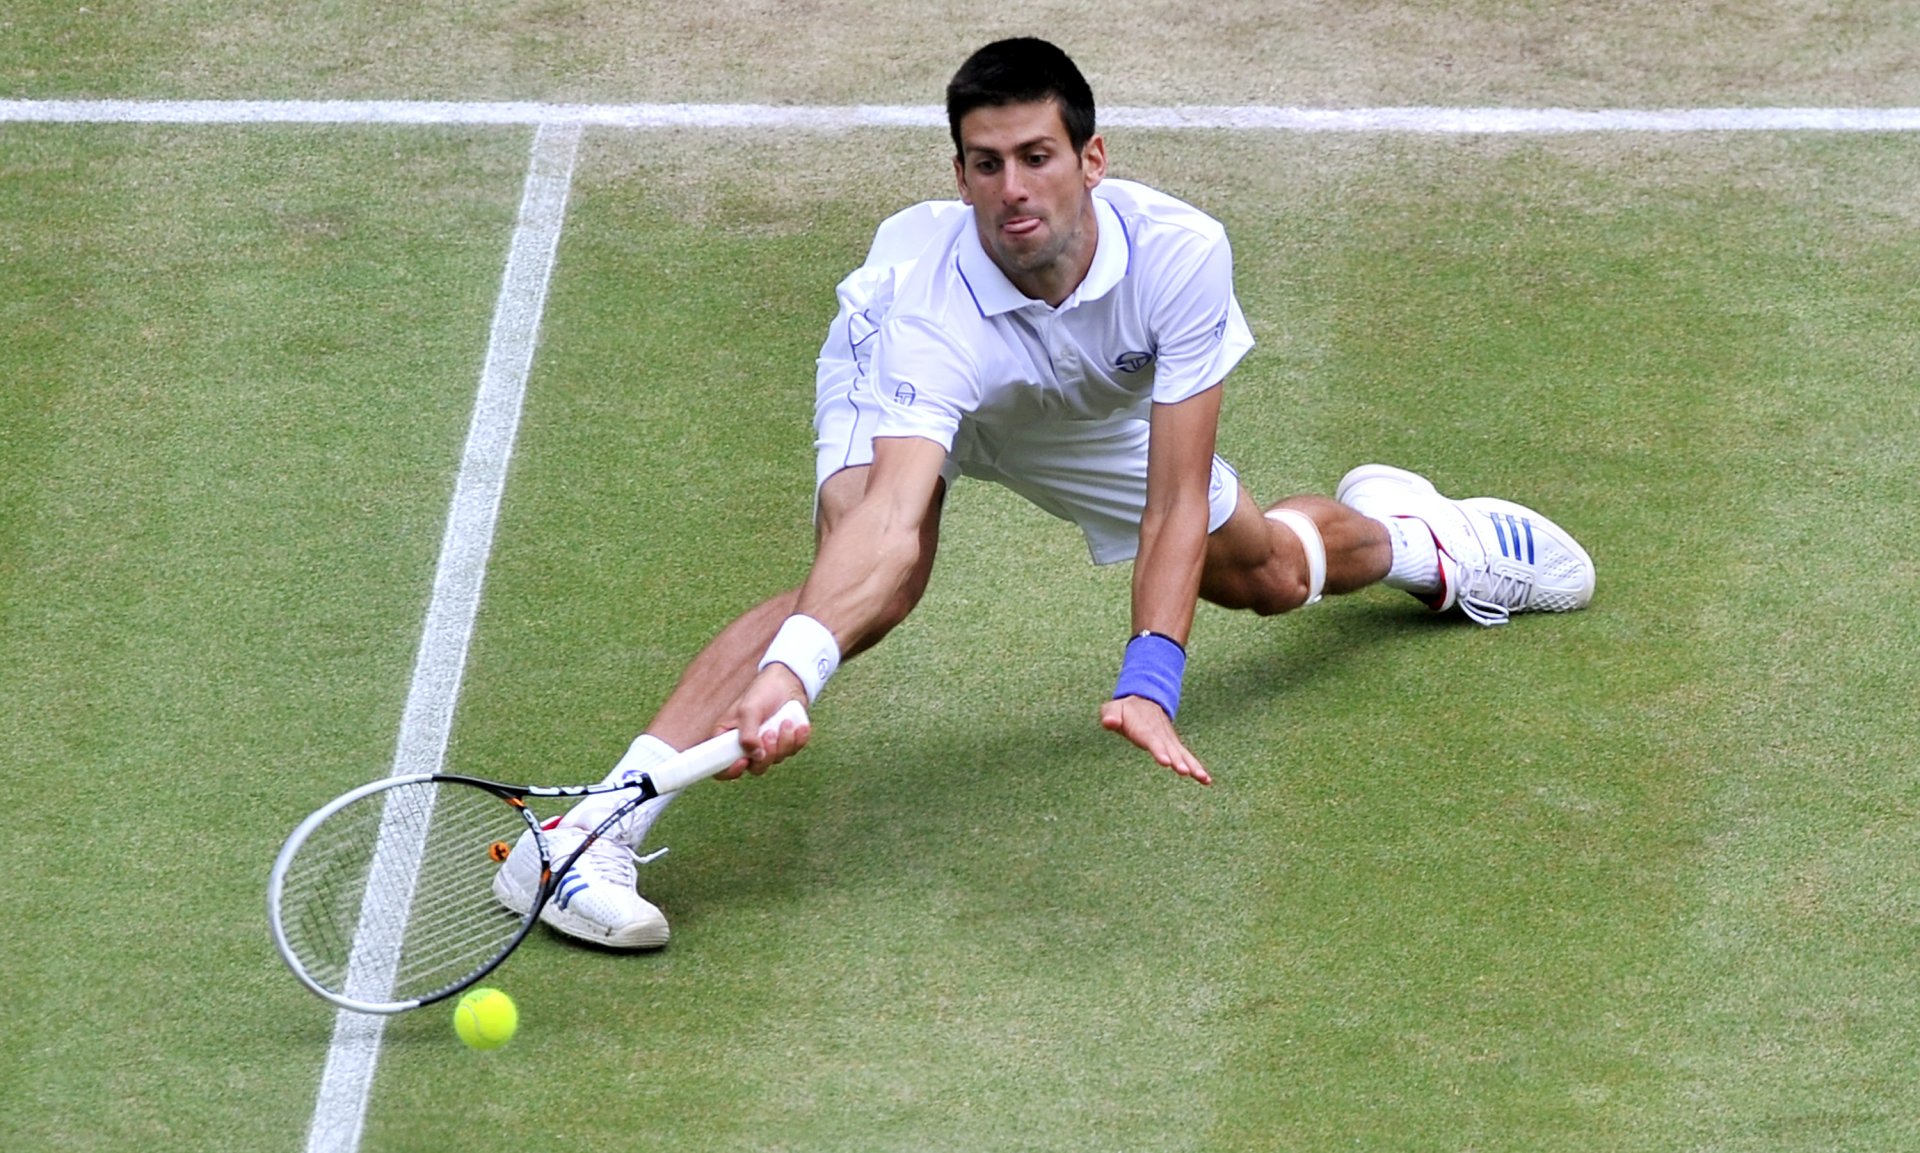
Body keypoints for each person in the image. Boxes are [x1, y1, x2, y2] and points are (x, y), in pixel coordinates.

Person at [492, 37, 1595, 949]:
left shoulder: (1181, 256)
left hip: (1078, 404)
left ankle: (1425, 542)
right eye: (985, 164)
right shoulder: (926, 301)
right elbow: (885, 520)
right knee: (868, 586)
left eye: (1035, 157)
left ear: (1091, 158)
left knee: (1260, 573)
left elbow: (1174, 500)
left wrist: (1151, 679)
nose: (1012, 188)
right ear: (960, 174)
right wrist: (794, 671)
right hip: (924, 385)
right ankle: (583, 836)